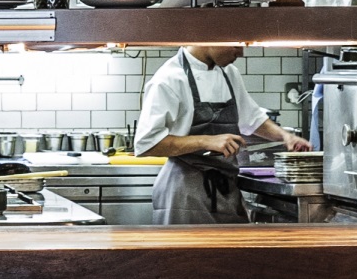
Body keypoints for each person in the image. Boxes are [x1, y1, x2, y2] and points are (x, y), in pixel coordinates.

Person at [130, 42, 304, 225]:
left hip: (226, 189)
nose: (241, 53)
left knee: (231, 253)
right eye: (236, 44)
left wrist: (285, 137)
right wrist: (205, 141)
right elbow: (146, 143)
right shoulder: (169, 79)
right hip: (185, 193)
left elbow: (251, 118)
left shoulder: (229, 73)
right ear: (211, 37)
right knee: (190, 254)